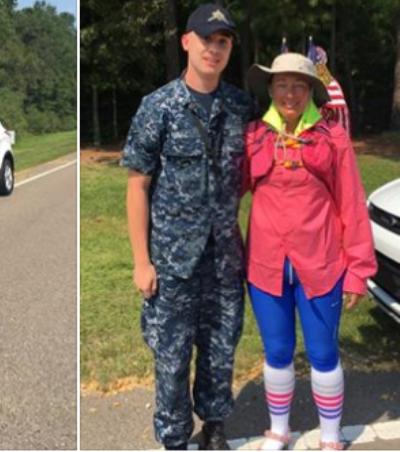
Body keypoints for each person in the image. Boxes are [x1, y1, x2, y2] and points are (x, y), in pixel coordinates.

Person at [121, 3, 253, 450]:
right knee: (172, 359)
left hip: (225, 260)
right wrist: (142, 261)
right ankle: (175, 438)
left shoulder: (240, 106)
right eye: (206, 40)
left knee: (220, 351)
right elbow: (137, 187)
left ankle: (215, 426)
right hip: (173, 263)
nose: (213, 50)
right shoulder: (158, 108)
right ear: (186, 42)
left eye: (223, 42)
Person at [244, 53, 377, 450]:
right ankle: (279, 428)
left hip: (321, 265)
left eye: (299, 85)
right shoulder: (253, 136)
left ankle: (332, 435)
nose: (290, 93)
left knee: (322, 352)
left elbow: (352, 203)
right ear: (270, 88)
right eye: (282, 84)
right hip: (266, 265)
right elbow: (225, 192)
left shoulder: (331, 138)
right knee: (278, 350)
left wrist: (358, 269)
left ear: (311, 92)